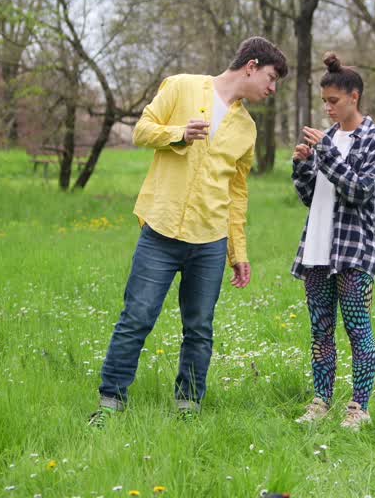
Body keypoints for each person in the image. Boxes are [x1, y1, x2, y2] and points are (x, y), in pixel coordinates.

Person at [89, 37, 288, 427]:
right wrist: (179, 132)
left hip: (210, 241)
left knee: (199, 328)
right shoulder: (181, 86)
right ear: (251, 65)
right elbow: (141, 131)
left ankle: (188, 409)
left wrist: (238, 251)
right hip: (161, 232)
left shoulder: (246, 129)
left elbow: (237, 192)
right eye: (270, 77)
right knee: (137, 318)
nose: (272, 88)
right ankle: (110, 402)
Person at [290, 52, 375, 430]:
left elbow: (360, 190)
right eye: (324, 102)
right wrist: (303, 164)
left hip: (354, 252)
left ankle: (359, 408)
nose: (328, 108)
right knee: (320, 331)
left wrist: (327, 154)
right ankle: (321, 400)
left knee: (357, 328)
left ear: (354, 97)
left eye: (334, 101)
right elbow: (313, 196)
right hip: (317, 249)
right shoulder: (328, 139)